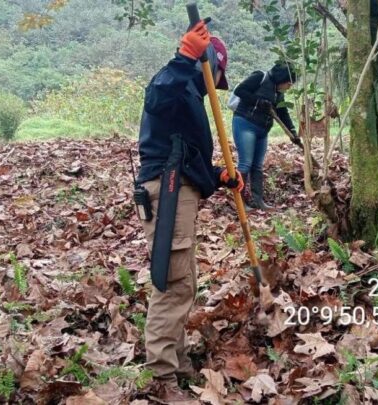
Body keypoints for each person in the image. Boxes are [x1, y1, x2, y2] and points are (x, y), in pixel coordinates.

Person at [135, 20, 242, 401]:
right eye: (218, 76)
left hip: (180, 189)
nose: (217, 84)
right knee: (173, 282)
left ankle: (177, 362)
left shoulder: (191, 97)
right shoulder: (175, 83)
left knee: (184, 281)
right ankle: (161, 374)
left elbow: (188, 158)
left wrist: (219, 177)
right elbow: (155, 99)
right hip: (166, 190)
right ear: (209, 65)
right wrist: (183, 59)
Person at [231, 62, 298, 210]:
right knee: (245, 163)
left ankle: (258, 201)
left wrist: (293, 132)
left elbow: (283, 113)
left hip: (263, 130)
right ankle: (239, 203)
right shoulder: (260, 77)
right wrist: (259, 102)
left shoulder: (278, 93)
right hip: (245, 124)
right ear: (282, 78)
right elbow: (240, 90)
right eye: (289, 83)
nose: (289, 86)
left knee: (257, 165)